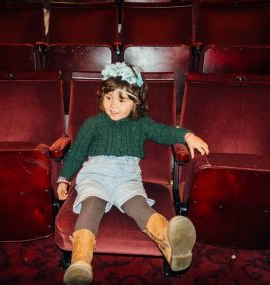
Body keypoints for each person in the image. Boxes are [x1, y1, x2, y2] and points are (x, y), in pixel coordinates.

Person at [57, 62, 209, 285]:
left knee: (138, 205)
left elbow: (164, 132)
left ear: (136, 102)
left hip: (126, 177)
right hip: (95, 175)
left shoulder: (141, 123)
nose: (113, 105)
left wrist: (186, 136)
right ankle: (80, 261)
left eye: (122, 99)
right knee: (92, 204)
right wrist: (64, 178)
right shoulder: (93, 123)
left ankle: (171, 244)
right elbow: (77, 153)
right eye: (108, 97)